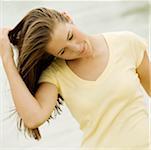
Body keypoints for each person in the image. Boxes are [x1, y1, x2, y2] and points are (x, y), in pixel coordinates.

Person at [0, 7, 150, 149]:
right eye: (63, 51)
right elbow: (33, 118)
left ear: (67, 17)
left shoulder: (127, 43)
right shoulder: (56, 73)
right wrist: (7, 60)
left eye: (70, 36)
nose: (76, 48)